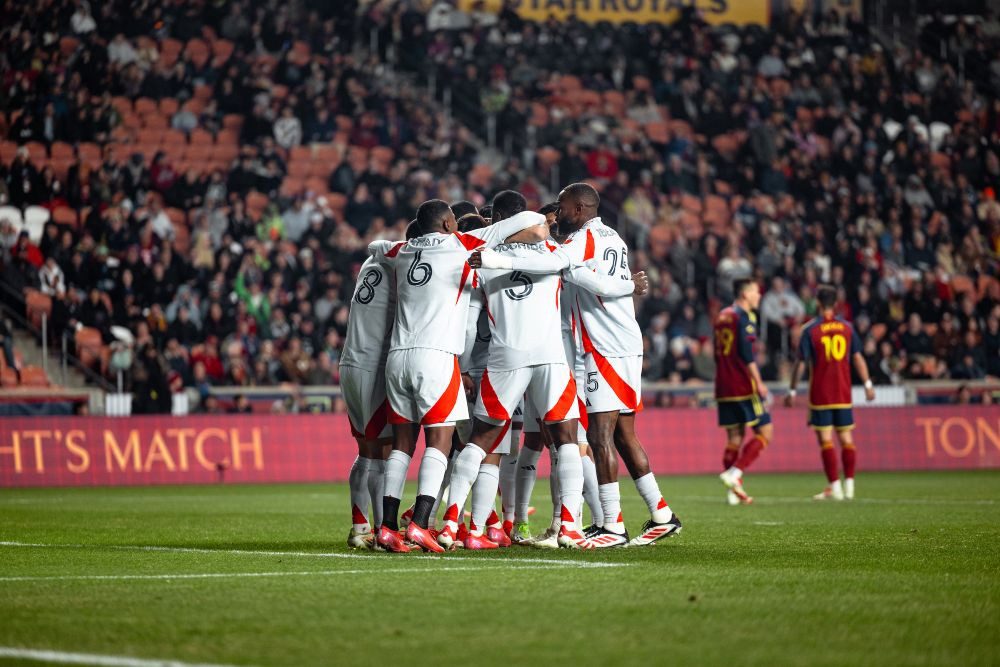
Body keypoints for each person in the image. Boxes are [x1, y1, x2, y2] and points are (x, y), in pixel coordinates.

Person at [365, 199, 546, 553]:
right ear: (449, 224)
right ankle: (420, 524)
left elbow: (375, 246)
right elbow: (529, 219)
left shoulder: (401, 250)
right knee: (441, 441)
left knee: (402, 444)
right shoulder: (461, 244)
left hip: (397, 358)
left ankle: (386, 527)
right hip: (436, 357)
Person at [554, 183, 681, 547]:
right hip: (623, 341)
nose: (559, 214)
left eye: (563, 208)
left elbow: (558, 261)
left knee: (599, 436)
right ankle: (662, 515)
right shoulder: (614, 238)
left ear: (580, 209)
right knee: (624, 435)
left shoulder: (583, 239)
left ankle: (613, 526)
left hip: (605, 347)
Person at [338, 223, 412, 548]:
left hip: (350, 362)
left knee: (366, 451)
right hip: (373, 365)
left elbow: (376, 244)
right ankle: (384, 530)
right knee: (383, 451)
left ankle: (360, 527)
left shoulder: (371, 262)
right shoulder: (401, 267)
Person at [786, 285, 876, 501]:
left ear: (817, 303)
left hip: (821, 395)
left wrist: (792, 390)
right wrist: (868, 384)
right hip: (843, 393)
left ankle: (835, 488)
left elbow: (801, 363)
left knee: (826, 440)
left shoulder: (810, 330)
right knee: (846, 439)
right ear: (835, 304)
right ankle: (850, 487)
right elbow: (857, 357)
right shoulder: (847, 327)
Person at [715, 278, 772, 505]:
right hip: (743, 385)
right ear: (745, 294)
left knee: (734, 437)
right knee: (765, 432)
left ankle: (732, 492)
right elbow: (747, 354)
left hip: (723, 384)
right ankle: (735, 473)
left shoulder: (721, 316)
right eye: (756, 291)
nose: (759, 296)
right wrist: (759, 382)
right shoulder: (744, 317)